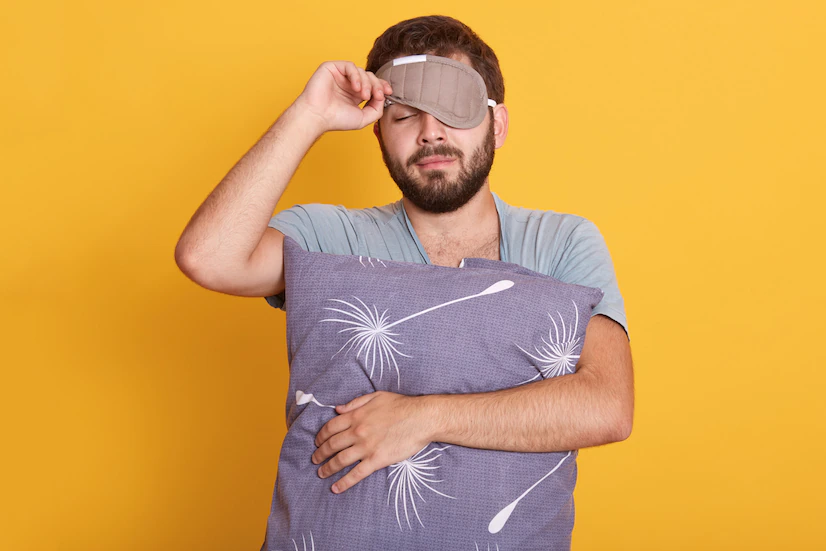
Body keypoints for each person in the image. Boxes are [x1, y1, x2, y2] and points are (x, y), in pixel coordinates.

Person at [175, 14, 634, 548]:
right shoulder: (329, 237)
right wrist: (310, 115)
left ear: (498, 125)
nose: (430, 131)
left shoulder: (561, 242)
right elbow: (208, 258)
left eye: (452, 110)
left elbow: (608, 405)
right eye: (405, 115)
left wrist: (423, 418)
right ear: (377, 132)